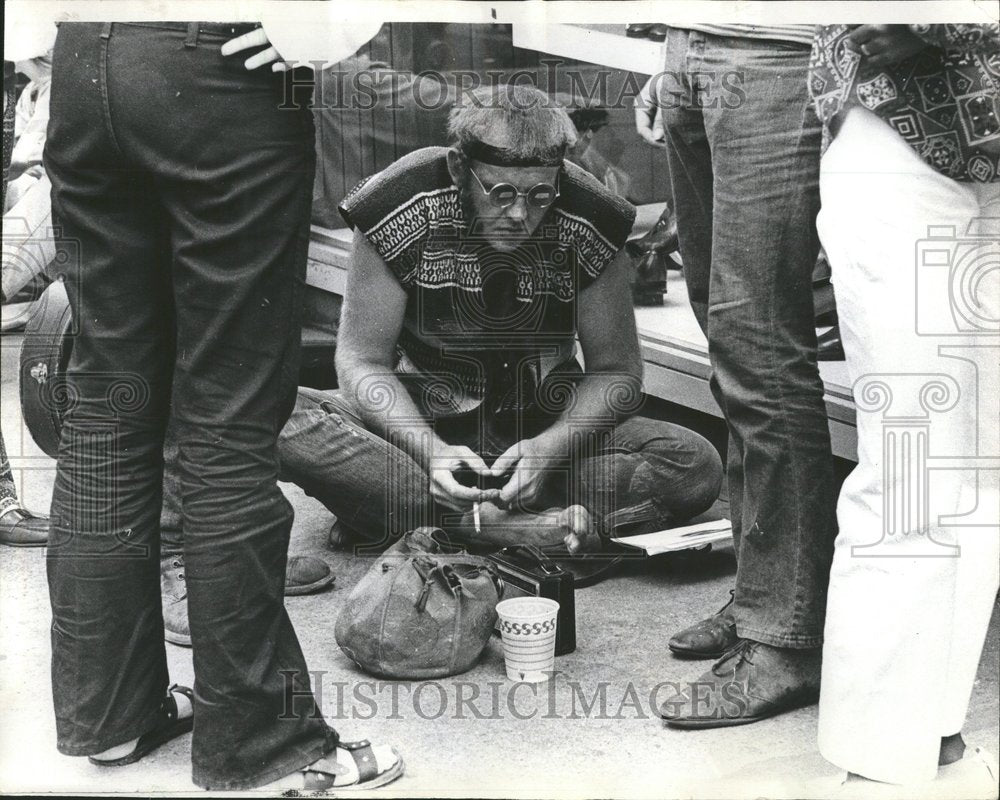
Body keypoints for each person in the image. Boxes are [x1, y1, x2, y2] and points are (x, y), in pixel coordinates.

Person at [43, 21, 401, 791]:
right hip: (219, 71)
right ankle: (263, 744)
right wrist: (311, 28)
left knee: (107, 409)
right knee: (229, 420)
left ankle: (111, 718)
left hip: (87, 62)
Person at [277, 84, 723, 555]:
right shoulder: (398, 202)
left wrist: (549, 450)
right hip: (415, 428)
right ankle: (505, 526)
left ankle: (414, 516)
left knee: (693, 466)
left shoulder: (592, 215)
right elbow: (361, 362)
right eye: (501, 192)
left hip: (542, 431)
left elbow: (618, 372)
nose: (519, 214)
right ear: (457, 167)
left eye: (540, 195)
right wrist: (431, 452)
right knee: (278, 413)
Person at [808, 23, 1000, 796]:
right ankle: (881, 760)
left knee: (985, 465)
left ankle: (938, 732)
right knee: (914, 463)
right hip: (900, 133)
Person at [638, 25, 839, 727]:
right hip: (696, 45)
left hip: (780, 52)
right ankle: (764, 592)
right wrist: (677, 53)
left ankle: (788, 635)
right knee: (728, 337)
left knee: (759, 345)